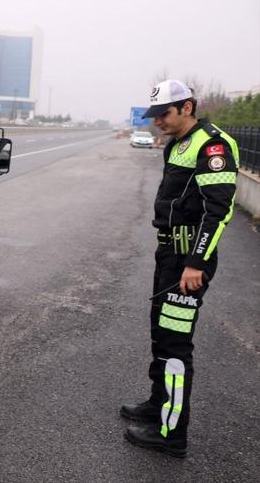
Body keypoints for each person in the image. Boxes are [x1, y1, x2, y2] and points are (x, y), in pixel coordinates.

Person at [121, 79, 239, 457]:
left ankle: (172, 434)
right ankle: (159, 407)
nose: (157, 121)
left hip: (189, 261)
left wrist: (196, 263)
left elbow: (216, 210)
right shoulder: (179, 143)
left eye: (164, 114)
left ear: (187, 107)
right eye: (155, 115)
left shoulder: (214, 144)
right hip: (169, 255)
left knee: (174, 345)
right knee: (161, 334)